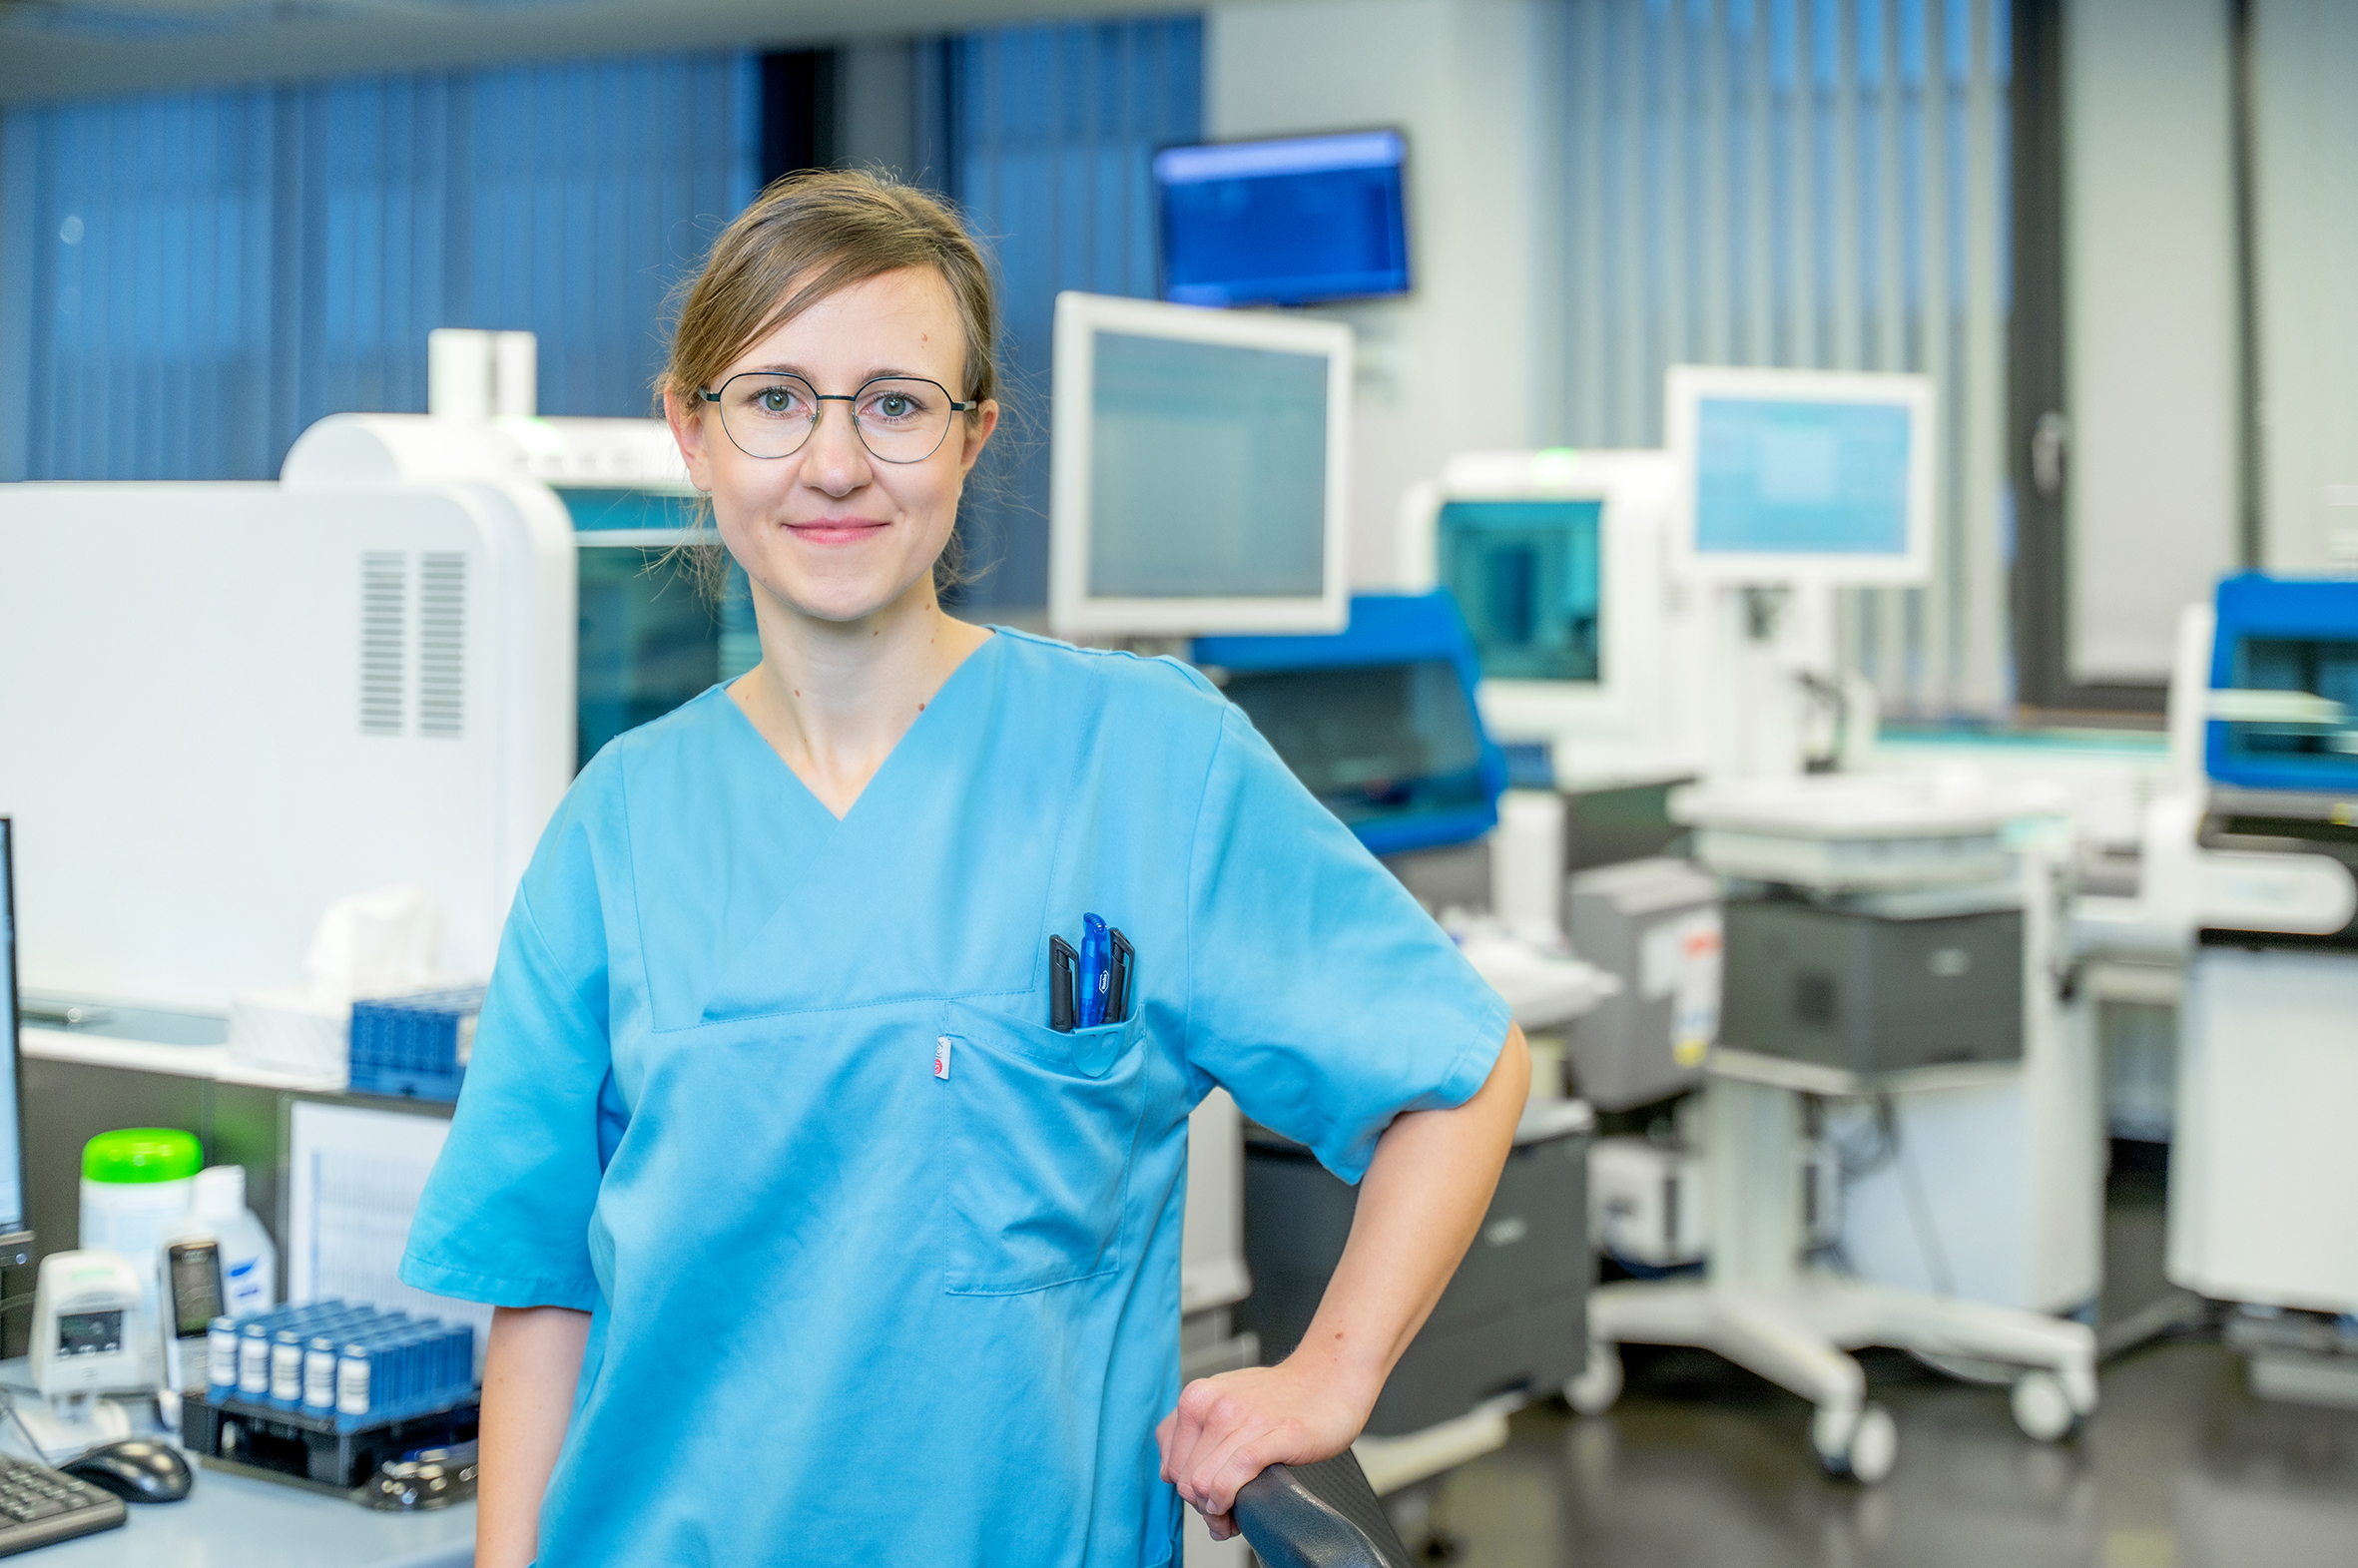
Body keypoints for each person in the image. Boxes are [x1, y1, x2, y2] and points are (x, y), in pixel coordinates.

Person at [399, 168, 1528, 1568]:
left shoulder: (1146, 759)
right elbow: (544, 1286)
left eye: (893, 403)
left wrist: (1328, 1376)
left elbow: (1459, 1073)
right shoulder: (614, 829)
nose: (832, 464)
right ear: (689, 433)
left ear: (972, 434)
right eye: (771, 400)